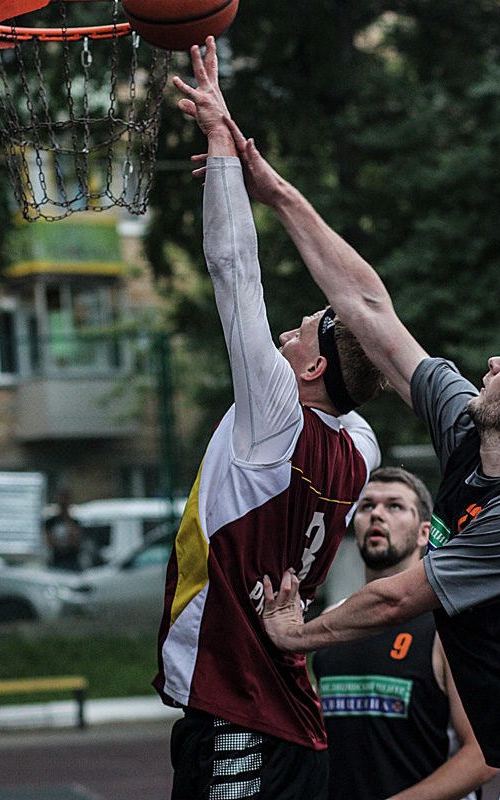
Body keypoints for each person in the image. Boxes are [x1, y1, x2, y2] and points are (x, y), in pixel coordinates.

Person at [219, 101, 500, 773]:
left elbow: (396, 598)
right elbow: (370, 311)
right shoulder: (467, 429)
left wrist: (297, 635)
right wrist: (275, 190)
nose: (493, 361)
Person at [152, 39, 385, 800]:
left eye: (301, 333)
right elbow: (369, 325)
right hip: (288, 720)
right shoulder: (358, 446)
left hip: (241, 714)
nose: (284, 334)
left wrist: (223, 145)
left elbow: (234, 275)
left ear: (311, 372)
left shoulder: (277, 423)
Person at [312, 466, 497, 800]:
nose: (376, 514)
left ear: (425, 533)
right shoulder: (331, 622)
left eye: (394, 506)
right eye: (367, 506)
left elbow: (484, 755)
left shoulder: (448, 627)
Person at [44, 488, 82, 571]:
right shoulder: (50, 522)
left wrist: (67, 518)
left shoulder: (75, 522)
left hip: (72, 561)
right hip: (56, 561)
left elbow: (76, 540)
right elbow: (49, 541)